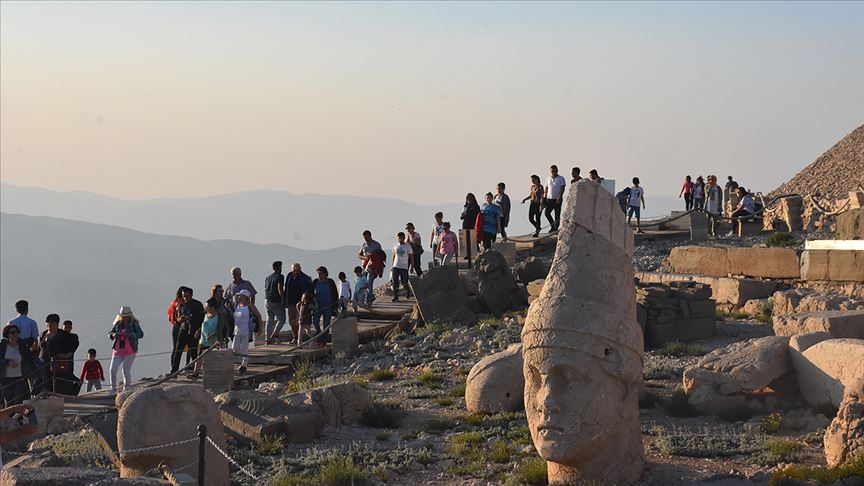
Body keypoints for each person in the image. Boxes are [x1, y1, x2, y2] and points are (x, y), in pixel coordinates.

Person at [108, 306, 143, 394]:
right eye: (123, 316)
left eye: (126, 316)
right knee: (112, 369)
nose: (125, 317)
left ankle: (127, 388)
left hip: (130, 351)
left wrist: (131, 334)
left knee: (126, 370)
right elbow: (110, 333)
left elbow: (140, 334)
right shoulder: (118, 323)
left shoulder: (134, 323)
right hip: (118, 350)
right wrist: (113, 335)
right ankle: (113, 389)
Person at [40, 314, 77, 393]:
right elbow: (41, 346)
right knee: (45, 380)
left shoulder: (63, 334)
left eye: (51, 323)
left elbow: (74, 343)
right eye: (48, 323)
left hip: (59, 362)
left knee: (60, 382)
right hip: (45, 362)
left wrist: (68, 354)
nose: (49, 325)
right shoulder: (43, 334)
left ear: (57, 324)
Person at [1, 325, 38, 405]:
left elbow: (31, 357)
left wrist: (34, 350)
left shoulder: (22, 346)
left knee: (18, 401)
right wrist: (8, 362)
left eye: (17, 332)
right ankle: (10, 417)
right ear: (7, 334)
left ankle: (18, 417)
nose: (15, 334)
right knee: (8, 402)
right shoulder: (2, 347)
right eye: (12, 332)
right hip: (6, 379)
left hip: (20, 378)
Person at [170, 287, 204, 374]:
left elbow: (201, 318)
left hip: (193, 330)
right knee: (178, 351)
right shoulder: (181, 305)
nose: (185, 298)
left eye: (187, 296)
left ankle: (194, 370)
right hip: (183, 330)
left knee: (193, 351)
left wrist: (191, 318)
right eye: (183, 296)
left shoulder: (197, 304)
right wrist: (180, 319)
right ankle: (174, 370)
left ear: (191, 295)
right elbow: (177, 318)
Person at [230, 290, 261, 374]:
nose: (238, 297)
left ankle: (244, 364)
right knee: (235, 348)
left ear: (245, 297)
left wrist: (260, 328)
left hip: (246, 330)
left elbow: (258, 315)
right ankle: (244, 359)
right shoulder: (237, 305)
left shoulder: (250, 305)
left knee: (244, 348)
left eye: (240, 296)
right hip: (236, 330)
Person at [283, 263, 312, 344]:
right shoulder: (289, 275)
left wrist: (305, 301)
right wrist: (285, 301)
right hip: (290, 302)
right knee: (291, 321)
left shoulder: (305, 278)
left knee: (299, 321)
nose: (295, 272)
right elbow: (286, 288)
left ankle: (300, 339)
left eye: (297, 270)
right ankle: (295, 337)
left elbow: (307, 290)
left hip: (300, 303)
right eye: (294, 271)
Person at [192, 299, 221, 378]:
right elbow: (203, 325)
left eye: (207, 306)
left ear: (213, 307)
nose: (206, 308)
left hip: (213, 342)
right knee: (199, 357)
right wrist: (198, 331)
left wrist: (212, 335)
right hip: (203, 340)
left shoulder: (219, 317)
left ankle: (214, 374)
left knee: (212, 358)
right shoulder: (206, 315)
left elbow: (219, 329)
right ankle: (195, 373)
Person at [310, 267, 338, 345]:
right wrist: (313, 300)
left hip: (328, 307)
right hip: (317, 307)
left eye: (320, 274)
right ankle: (320, 336)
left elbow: (335, 294)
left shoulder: (330, 282)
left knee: (326, 325)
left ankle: (323, 341)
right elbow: (311, 293)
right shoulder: (315, 282)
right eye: (317, 274)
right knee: (315, 323)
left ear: (325, 274)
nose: (318, 275)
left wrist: (336, 306)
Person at [358, 231, 384, 302]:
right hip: (364, 267)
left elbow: (381, 257)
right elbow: (359, 255)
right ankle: (367, 297)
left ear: (370, 236)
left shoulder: (376, 245)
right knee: (362, 283)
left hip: (373, 268)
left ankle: (369, 299)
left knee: (369, 282)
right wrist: (364, 258)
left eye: (366, 237)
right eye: (364, 237)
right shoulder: (364, 245)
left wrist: (380, 270)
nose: (365, 239)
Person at [264, 261, 286, 345]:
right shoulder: (280, 276)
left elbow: (265, 289)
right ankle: (275, 334)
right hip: (275, 300)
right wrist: (282, 299)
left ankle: (268, 339)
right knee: (282, 319)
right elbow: (280, 288)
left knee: (269, 320)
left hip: (267, 300)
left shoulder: (268, 277)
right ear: (279, 268)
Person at [390, 233, 413, 301]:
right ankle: (395, 296)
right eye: (399, 238)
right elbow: (394, 256)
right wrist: (392, 265)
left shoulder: (407, 246)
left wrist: (412, 266)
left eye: (401, 238)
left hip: (404, 267)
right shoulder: (395, 245)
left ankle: (408, 290)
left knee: (404, 282)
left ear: (404, 238)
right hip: (396, 266)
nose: (400, 239)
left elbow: (411, 257)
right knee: (395, 282)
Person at [544, 165, 566, 232]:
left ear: (557, 170)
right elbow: (546, 188)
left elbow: (562, 188)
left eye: (555, 171)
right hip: (549, 198)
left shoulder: (561, 178)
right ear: (551, 171)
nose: (554, 172)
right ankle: (552, 226)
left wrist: (560, 196)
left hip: (557, 199)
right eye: (552, 171)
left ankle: (556, 228)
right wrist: (544, 196)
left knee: (557, 214)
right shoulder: (548, 178)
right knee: (547, 213)